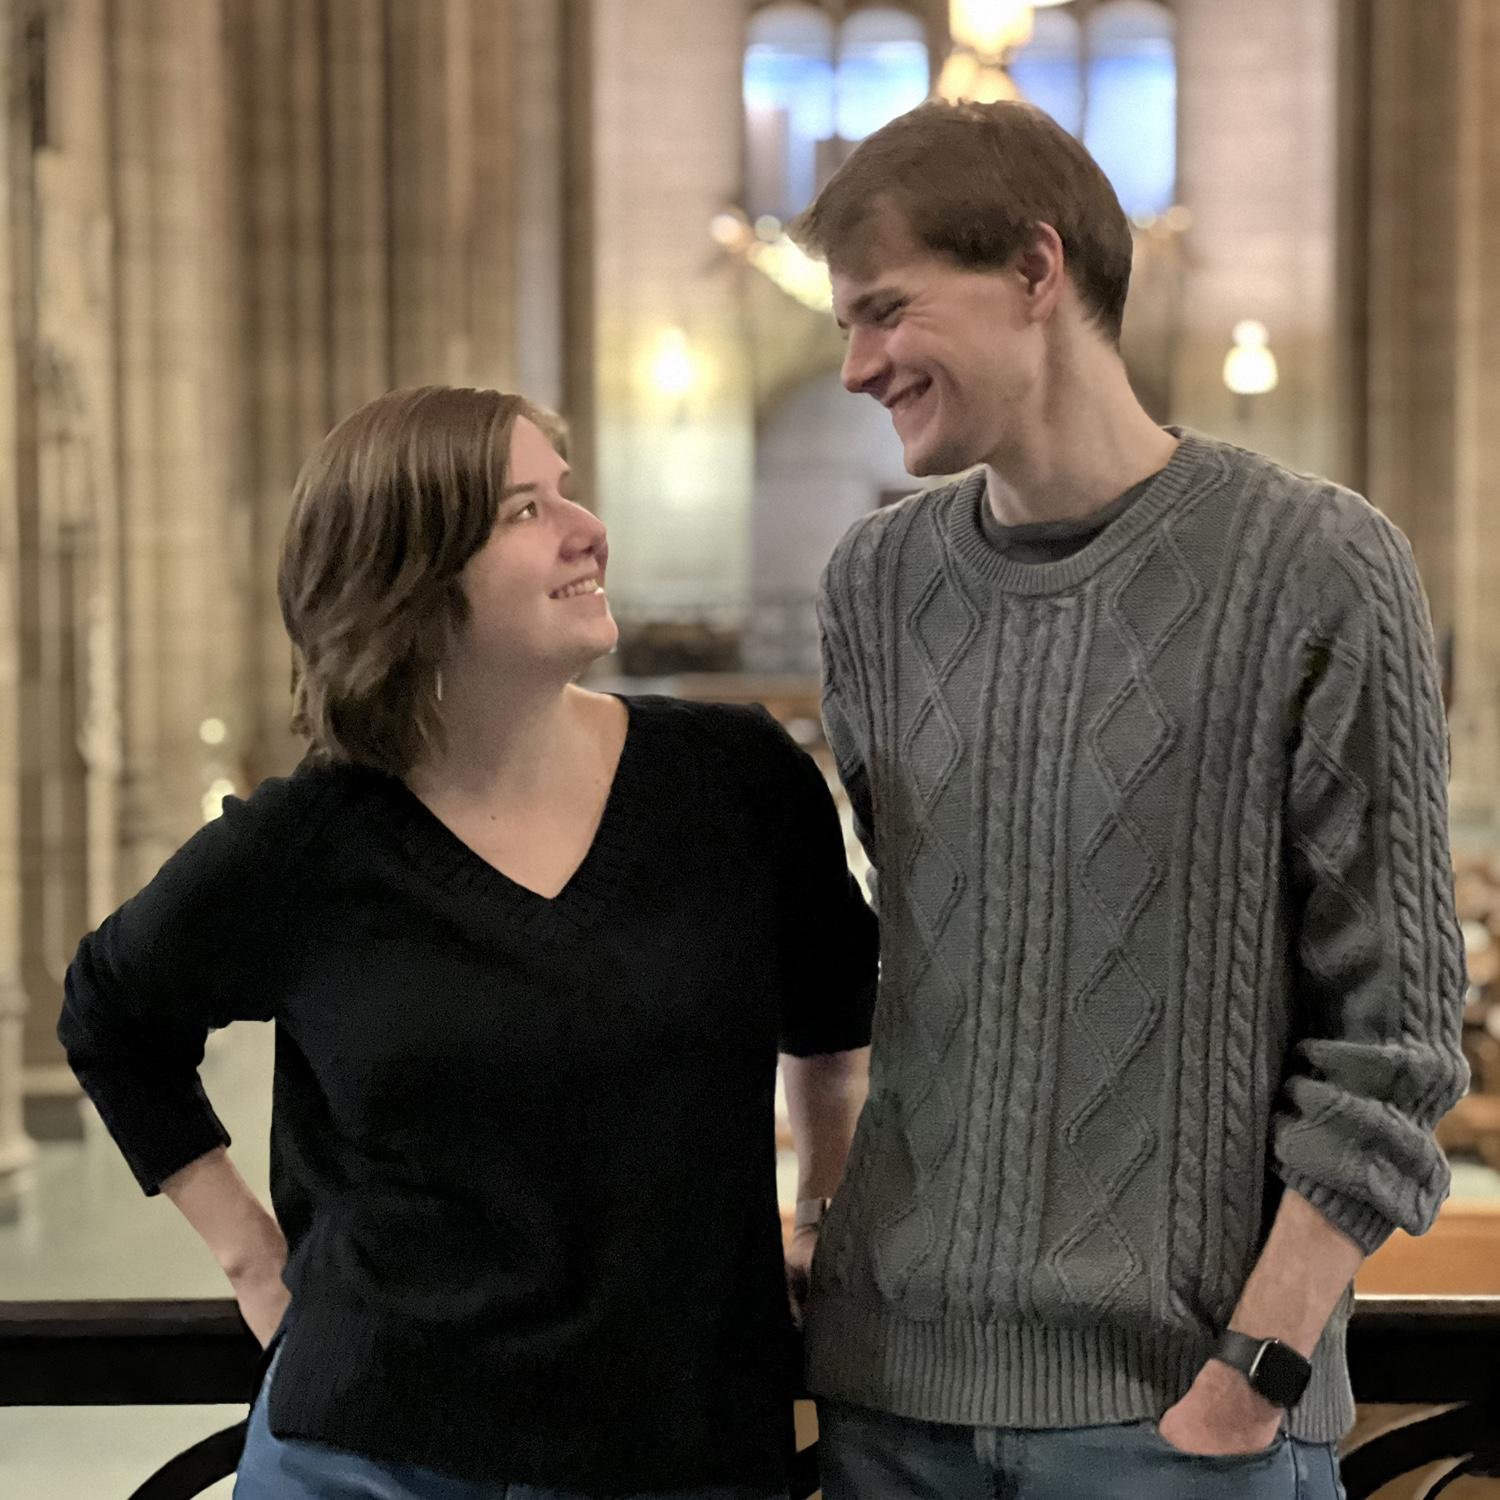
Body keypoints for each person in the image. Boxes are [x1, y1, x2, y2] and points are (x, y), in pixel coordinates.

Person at [789, 99, 1469, 1500]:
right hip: (890, 1406)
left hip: (1177, 1425)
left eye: (887, 311)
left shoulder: (1317, 563)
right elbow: (909, 958)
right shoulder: (875, 584)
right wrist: (825, 1209)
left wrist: (1256, 1370)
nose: (856, 366)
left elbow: (1395, 1036)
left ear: (1036, 269)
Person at [58, 385, 877, 1500]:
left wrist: (821, 1210)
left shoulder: (732, 781)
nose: (588, 531)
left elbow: (835, 1014)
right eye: (523, 510)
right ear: (409, 575)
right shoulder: (311, 841)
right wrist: (252, 1259)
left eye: (567, 493)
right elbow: (111, 1013)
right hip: (373, 1456)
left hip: (681, 1447)